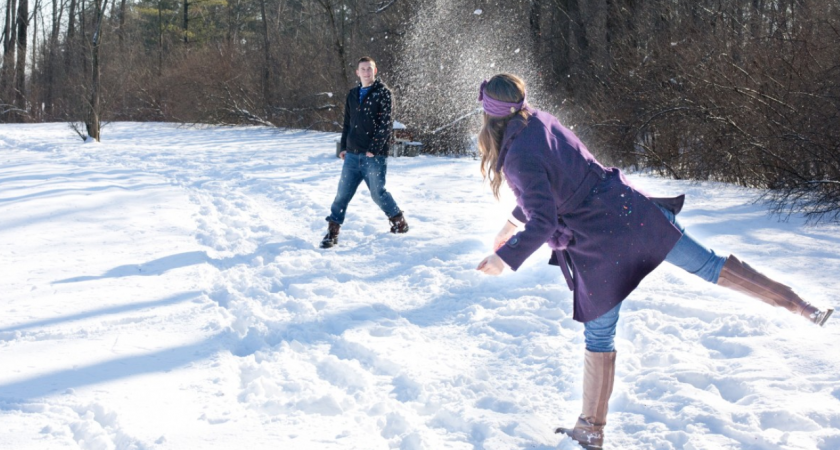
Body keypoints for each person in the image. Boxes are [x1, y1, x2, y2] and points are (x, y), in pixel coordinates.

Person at [474, 74, 833, 450]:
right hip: (632, 211)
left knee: (599, 335)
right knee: (711, 266)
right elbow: (553, 185)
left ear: (489, 115)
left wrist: (504, 258)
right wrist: (511, 225)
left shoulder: (516, 156)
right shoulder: (542, 121)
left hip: (599, 241)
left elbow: (544, 218)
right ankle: (801, 306)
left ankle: (591, 429)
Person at [320, 56, 409, 249]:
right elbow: (347, 123)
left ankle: (399, 222)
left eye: (369, 69)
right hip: (352, 155)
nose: (366, 72)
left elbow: (386, 124)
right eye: (363, 69)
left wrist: (374, 149)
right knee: (342, 195)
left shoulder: (383, 93)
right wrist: (344, 147)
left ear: (375, 71)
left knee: (378, 194)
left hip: (373, 156)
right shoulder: (352, 94)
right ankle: (332, 232)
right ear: (357, 72)